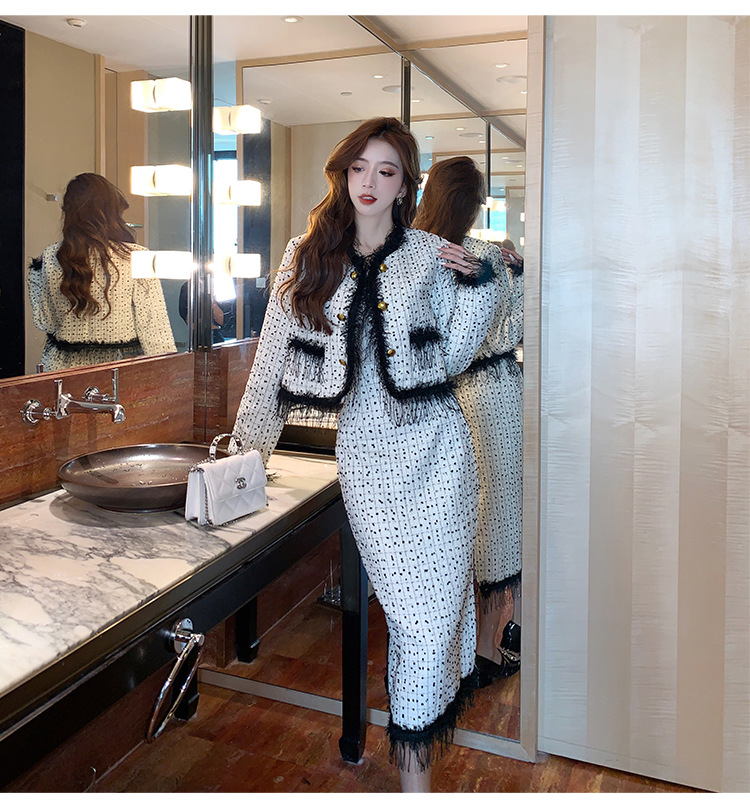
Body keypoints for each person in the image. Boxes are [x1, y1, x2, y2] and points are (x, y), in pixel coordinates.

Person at [231, 118, 500, 792]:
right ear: (343, 173)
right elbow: (270, 365)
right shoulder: (306, 254)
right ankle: (415, 771)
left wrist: (481, 286)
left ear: (407, 185)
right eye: (359, 168)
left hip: (441, 456)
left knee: (436, 618)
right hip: (371, 461)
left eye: (386, 171)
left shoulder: (433, 254)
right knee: (412, 620)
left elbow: (457, 355)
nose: (370, 183)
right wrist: (242, 458)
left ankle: (414, 780)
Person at [413, 156, 524, 687]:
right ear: (474, 204)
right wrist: (519, 273)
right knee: (497, 516)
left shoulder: (414, 255)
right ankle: (493, 642)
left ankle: (463, 650)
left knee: (459, 521)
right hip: (497, 393)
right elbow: (521, 324)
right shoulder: (491, 258)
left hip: (443, 397)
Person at [28, 173, 176, 371]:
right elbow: (155, 329)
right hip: (119, 369)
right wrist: (169, 374)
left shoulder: (51, 256)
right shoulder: (136, 256)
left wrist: (36, 274)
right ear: (111, 211)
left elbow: (45, 322)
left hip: (62, 370)